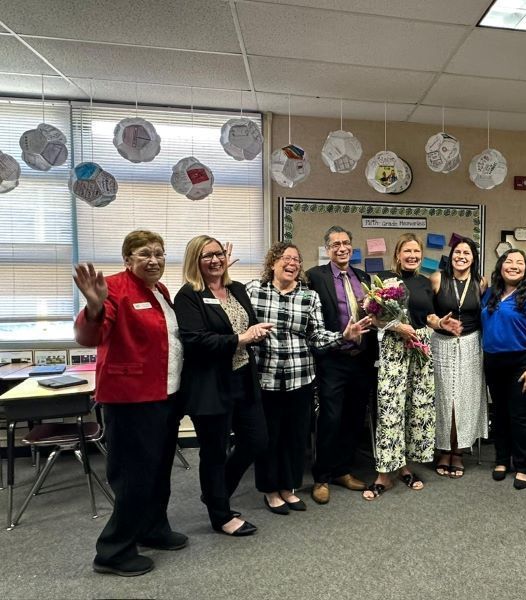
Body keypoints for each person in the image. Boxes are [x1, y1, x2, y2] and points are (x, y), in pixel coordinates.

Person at [74, 230, 186, 577]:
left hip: (164, 395)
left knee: (158, 471)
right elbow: (90, 336)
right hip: (131, 399)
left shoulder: (159, 289)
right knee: (134, 477)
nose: (153, 260)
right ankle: (113, 551)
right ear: (127, 259)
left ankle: (152, 529)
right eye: (144, 254)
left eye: (159, 253)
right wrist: (93, 307)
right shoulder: (113, 289)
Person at [246, 242, 369, 514]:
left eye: (296, 260)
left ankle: (288, 488)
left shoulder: (308, 296)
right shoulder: (254, 290)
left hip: (300, 376)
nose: (292, 263)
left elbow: (316, 335)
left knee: (295, 437)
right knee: (270, 437)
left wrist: (342, 336)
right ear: (273, 262)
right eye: (286, 258)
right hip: (266, 377)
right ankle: (270, 491)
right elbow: (240, 324)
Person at [174, 236, 273, 536]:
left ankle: (215, 493)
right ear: (195, 261)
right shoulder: (188, 296)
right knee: (214, 451)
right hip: (210, 385)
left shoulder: (236, 289)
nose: (215, 260)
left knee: (256, 441)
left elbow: (249, 324)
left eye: (218, 254)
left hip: (242, 378)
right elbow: (195, 341)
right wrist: (241, 339)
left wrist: (257, 333)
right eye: (207, 256)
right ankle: (221, 516)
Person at [363, 233, 454, 500]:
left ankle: (404, 468)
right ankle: (383, 474)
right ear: (398, 254)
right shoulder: (385, 280)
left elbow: (428, 316)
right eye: (408, 251)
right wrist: (396, 326)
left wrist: (440, 323)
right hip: (394, 347)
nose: (412, 256)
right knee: (390, 409)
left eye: (416, 252)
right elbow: (372, 317)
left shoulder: (425, 282)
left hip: (420, 347)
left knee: (416, 408)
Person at [305, 226, 377, 504]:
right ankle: (322, 477)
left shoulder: (363, 277)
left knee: (354, 418)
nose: (342, 248)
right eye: (335, 244)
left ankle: (343, 471)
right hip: (333, 359)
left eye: (346, 243)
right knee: (331, 418)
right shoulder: (315, 276)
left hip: (361, 359)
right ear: (327, 249)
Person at [481, 249, 526, 490]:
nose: (513, 265)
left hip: (522, 364)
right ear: (500, 266)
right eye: (508, 261)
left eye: (519, 262)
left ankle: (522, 466)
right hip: (493, 362)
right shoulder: (491, 293)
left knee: (520, 416)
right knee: (500, 413)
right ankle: (502, 460)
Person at [429, 238, 488, 478]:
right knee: (444, 398)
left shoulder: (480, 282)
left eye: (467, 253)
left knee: (465, 398)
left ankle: (459, 451)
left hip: (470, 344)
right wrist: (438, 323)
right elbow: (427, 313)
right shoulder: (437, 278)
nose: (461, 256)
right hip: (441, 344)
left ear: (473, 258)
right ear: (451, 255)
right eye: (457, 252)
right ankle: (444, 450)